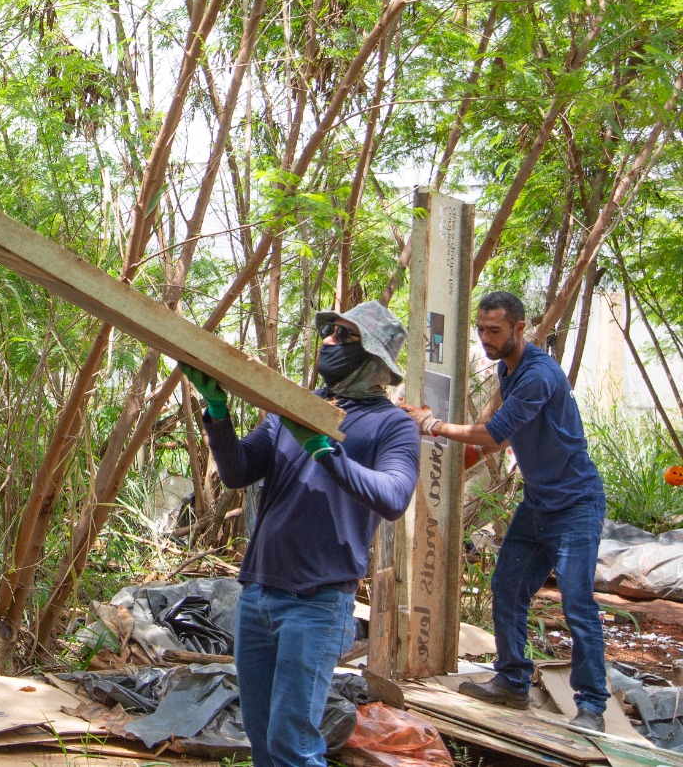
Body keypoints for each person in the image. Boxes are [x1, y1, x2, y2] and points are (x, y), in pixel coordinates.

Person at [180, 300, 419, 767]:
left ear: (374, 358)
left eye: (344, 336)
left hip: (317, 603)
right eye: (328, 331)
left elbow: (393, 496)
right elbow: (238, 470)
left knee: (293, 743)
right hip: (259, 594)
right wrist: (217, 412)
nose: (329, 341)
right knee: (263, 739)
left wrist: (329, 451)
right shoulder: (295, 410)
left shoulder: (392, 426)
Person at [408, 290, 608, 731]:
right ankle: (513, 682)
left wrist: (430, 425)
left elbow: (493, 430)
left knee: (577, 603)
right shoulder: (507, 369)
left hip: (576, 504)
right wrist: (458, 461)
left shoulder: (539, 374)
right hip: (538, 502)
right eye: (480, 330)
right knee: (507, 587)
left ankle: (592, 704)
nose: (485, 338)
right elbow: (498, 439)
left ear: (520, 328)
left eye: (494, 330)